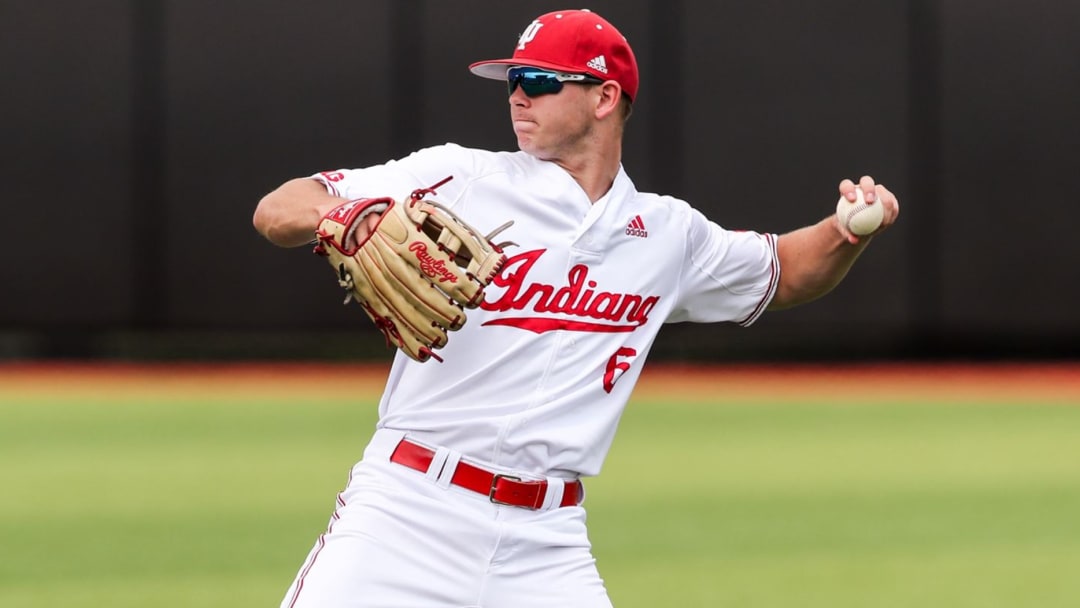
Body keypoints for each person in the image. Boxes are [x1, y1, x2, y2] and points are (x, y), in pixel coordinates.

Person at [253, 8, 899, 608]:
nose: (518, 95)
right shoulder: (460, 177)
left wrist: (847, 232)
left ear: (604, 96)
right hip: (408, 512)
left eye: (539, 80)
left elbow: (784, 270)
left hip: (547, 541)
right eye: (511, 81)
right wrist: (342, 212)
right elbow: (277, 209)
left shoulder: (667, 235)